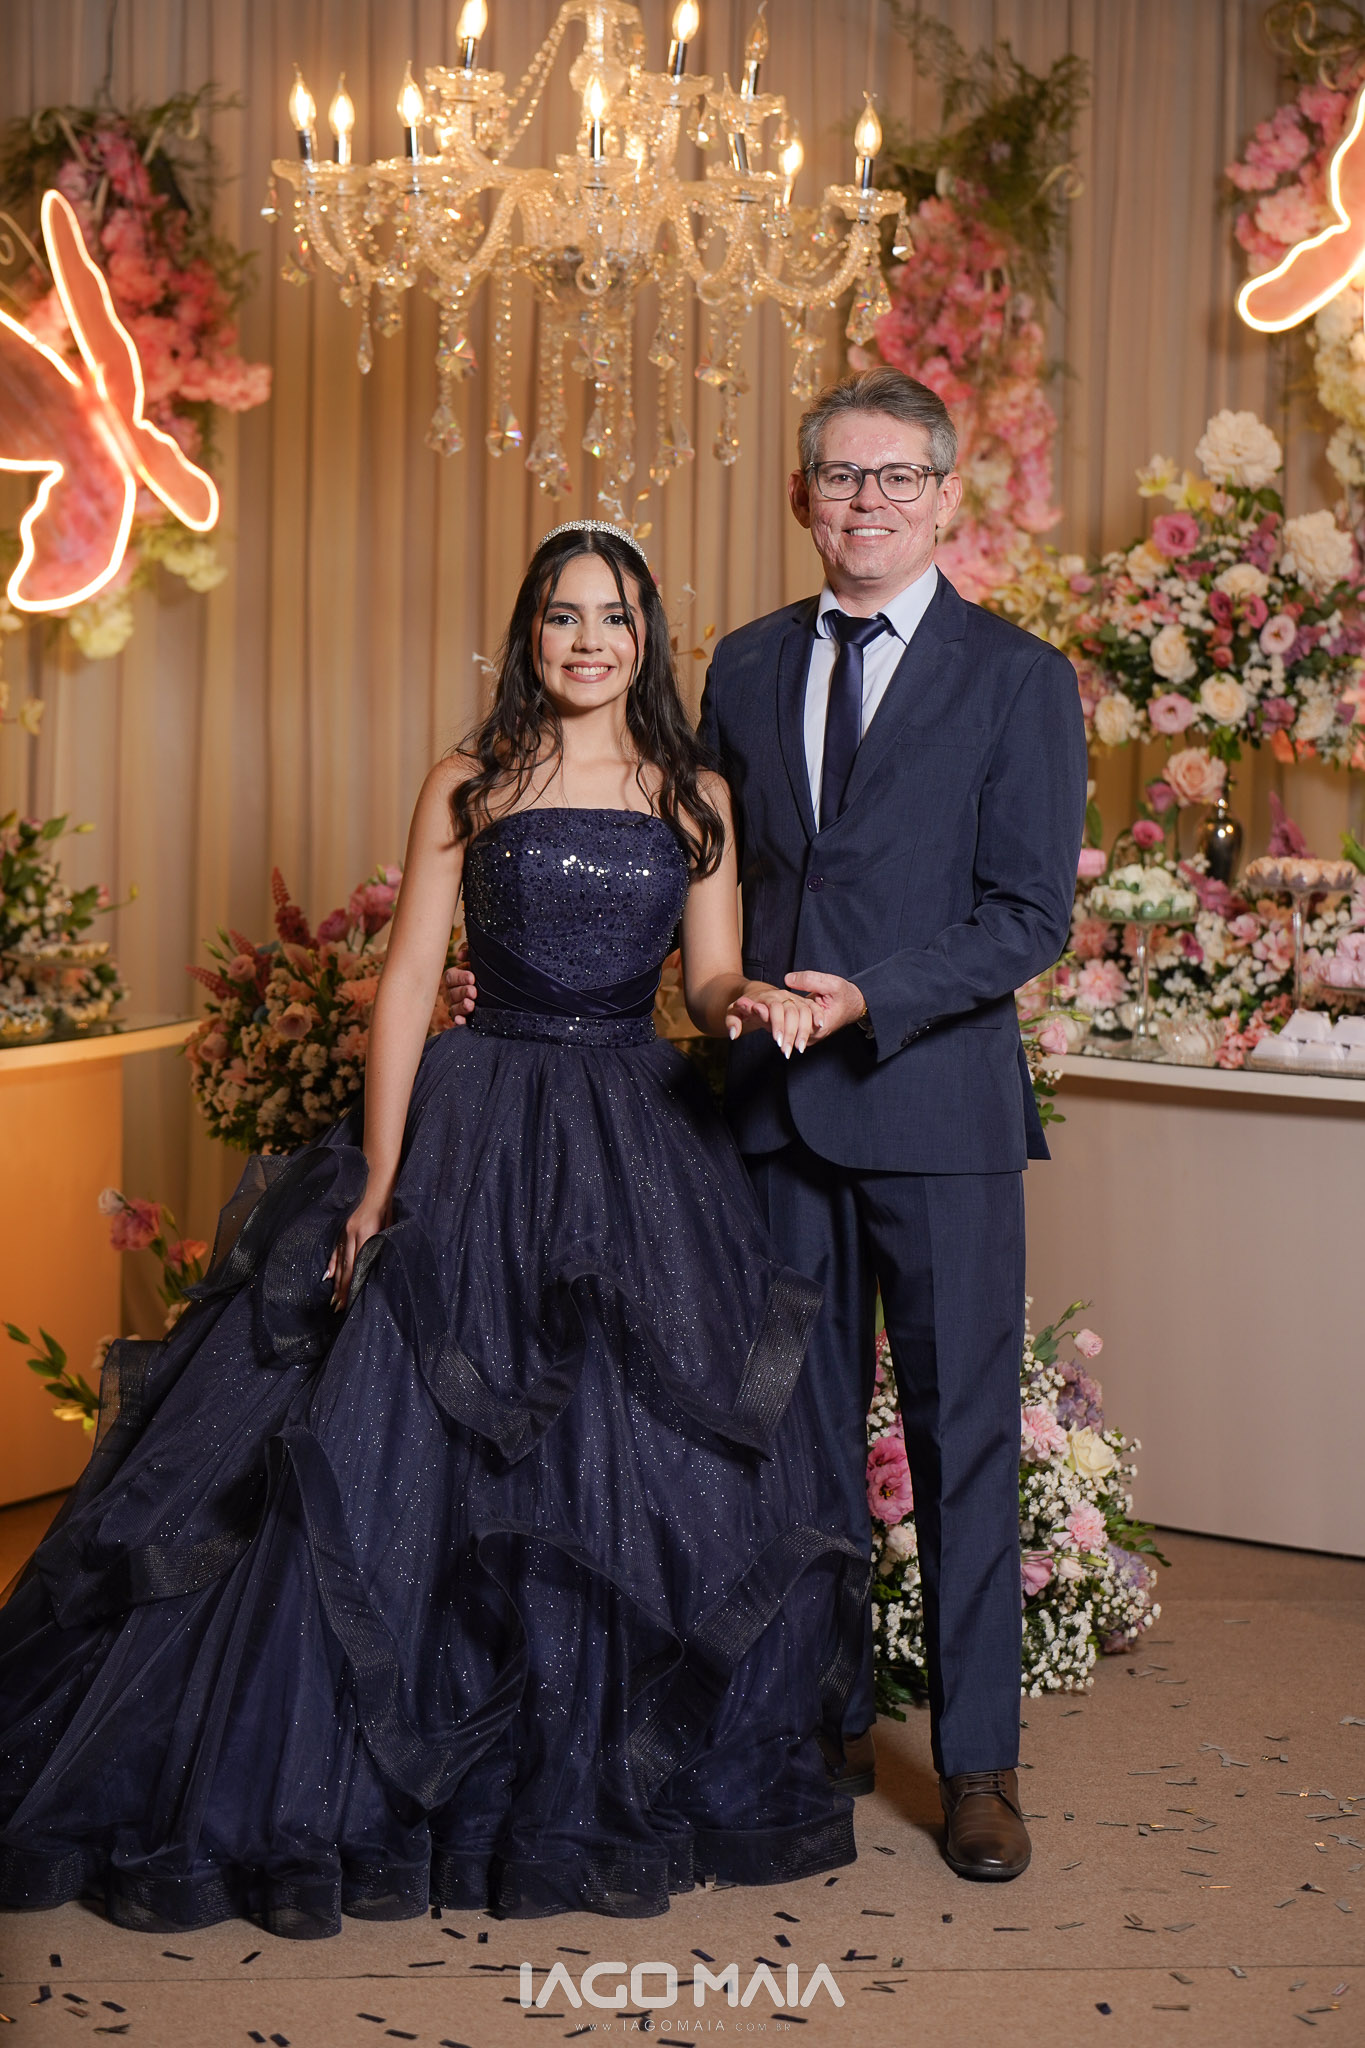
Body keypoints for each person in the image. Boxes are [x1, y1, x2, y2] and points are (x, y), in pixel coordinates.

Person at [0, 524, 867, 1939]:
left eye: (615, 618)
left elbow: (707, 978)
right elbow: (410, 981)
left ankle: (576, 1766)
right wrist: (379, 1184)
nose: (589, 641)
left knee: (626, 1446)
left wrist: (747, 1006)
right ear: (527, 634)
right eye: (562, 616)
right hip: (479, 1118)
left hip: (633, 1125)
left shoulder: (695, 793)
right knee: (400, 1440)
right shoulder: (469, 782)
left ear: (647, 639)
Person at [697, 368, 1088, 1882]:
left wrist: (869, 998)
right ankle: (820, 1723)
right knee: (789, 1442)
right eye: (842, 477)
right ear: (803, 497)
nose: (868, 502)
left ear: (943, 496)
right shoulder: (740, 666)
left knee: (959, 1440)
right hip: (776, 1121)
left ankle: (978, 1762)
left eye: (897, 476)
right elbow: (702, 873)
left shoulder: (1017, 678)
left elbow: (1028, 913)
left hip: (936, 1113)